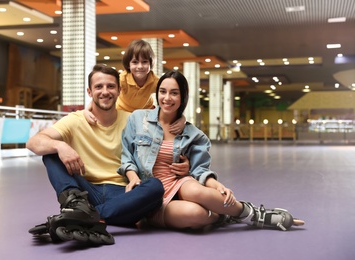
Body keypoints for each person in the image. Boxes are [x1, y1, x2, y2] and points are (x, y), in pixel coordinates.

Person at [118, 70, 305, 231]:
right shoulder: (138, 119)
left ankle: (254, 215)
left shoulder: (194, 134)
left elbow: (200, 171)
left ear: (183, 97)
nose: (167, 98)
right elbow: (127, 155)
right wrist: (133, 177)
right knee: (196, 215)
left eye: (174, 93)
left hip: (178, 184)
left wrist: (216, 186)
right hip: (150, 196)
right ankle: (224, 215)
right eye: (163, 92)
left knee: (197, 192)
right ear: (157, 93)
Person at [26, 65, 188, 245]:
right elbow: (33, 143)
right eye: (98, 87)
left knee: (155, 188)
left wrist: (182, 121)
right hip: (85, 191)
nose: (105, 92)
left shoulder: (133, 119)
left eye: (111, 86)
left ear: (119, 90)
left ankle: (80, 217)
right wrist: (60, 145)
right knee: (51, 154)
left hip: (122, 193)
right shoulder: (75, 120)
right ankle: (78, 208)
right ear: (89, 91)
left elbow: (165, 121)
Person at [84, 39, 185, 134]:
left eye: (144, 62)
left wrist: (182, 119)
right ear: (128, 64)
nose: (140, 66)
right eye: (135, 62)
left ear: (151, 63)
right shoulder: (122, 79)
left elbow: (171, 100)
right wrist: (87, 110)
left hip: (144, 114)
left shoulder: (155, 81)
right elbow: (103, 95)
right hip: (122, 112)